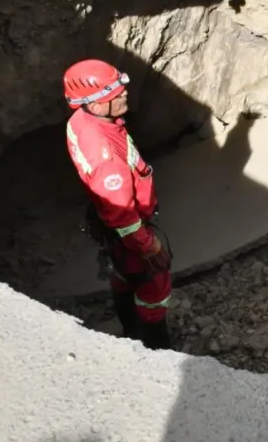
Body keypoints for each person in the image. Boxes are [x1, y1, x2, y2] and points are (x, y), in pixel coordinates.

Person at [62, 59, 173, 350]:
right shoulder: (106, 159)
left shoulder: (82, 121)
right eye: (114, 94)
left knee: (123, 274)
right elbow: (122, 215)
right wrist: (147, 244)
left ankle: (131, 334)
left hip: (107, 224)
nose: (124, 94)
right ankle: (157, 348)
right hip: (129, 228)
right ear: (95, 104)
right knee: (154, 287)